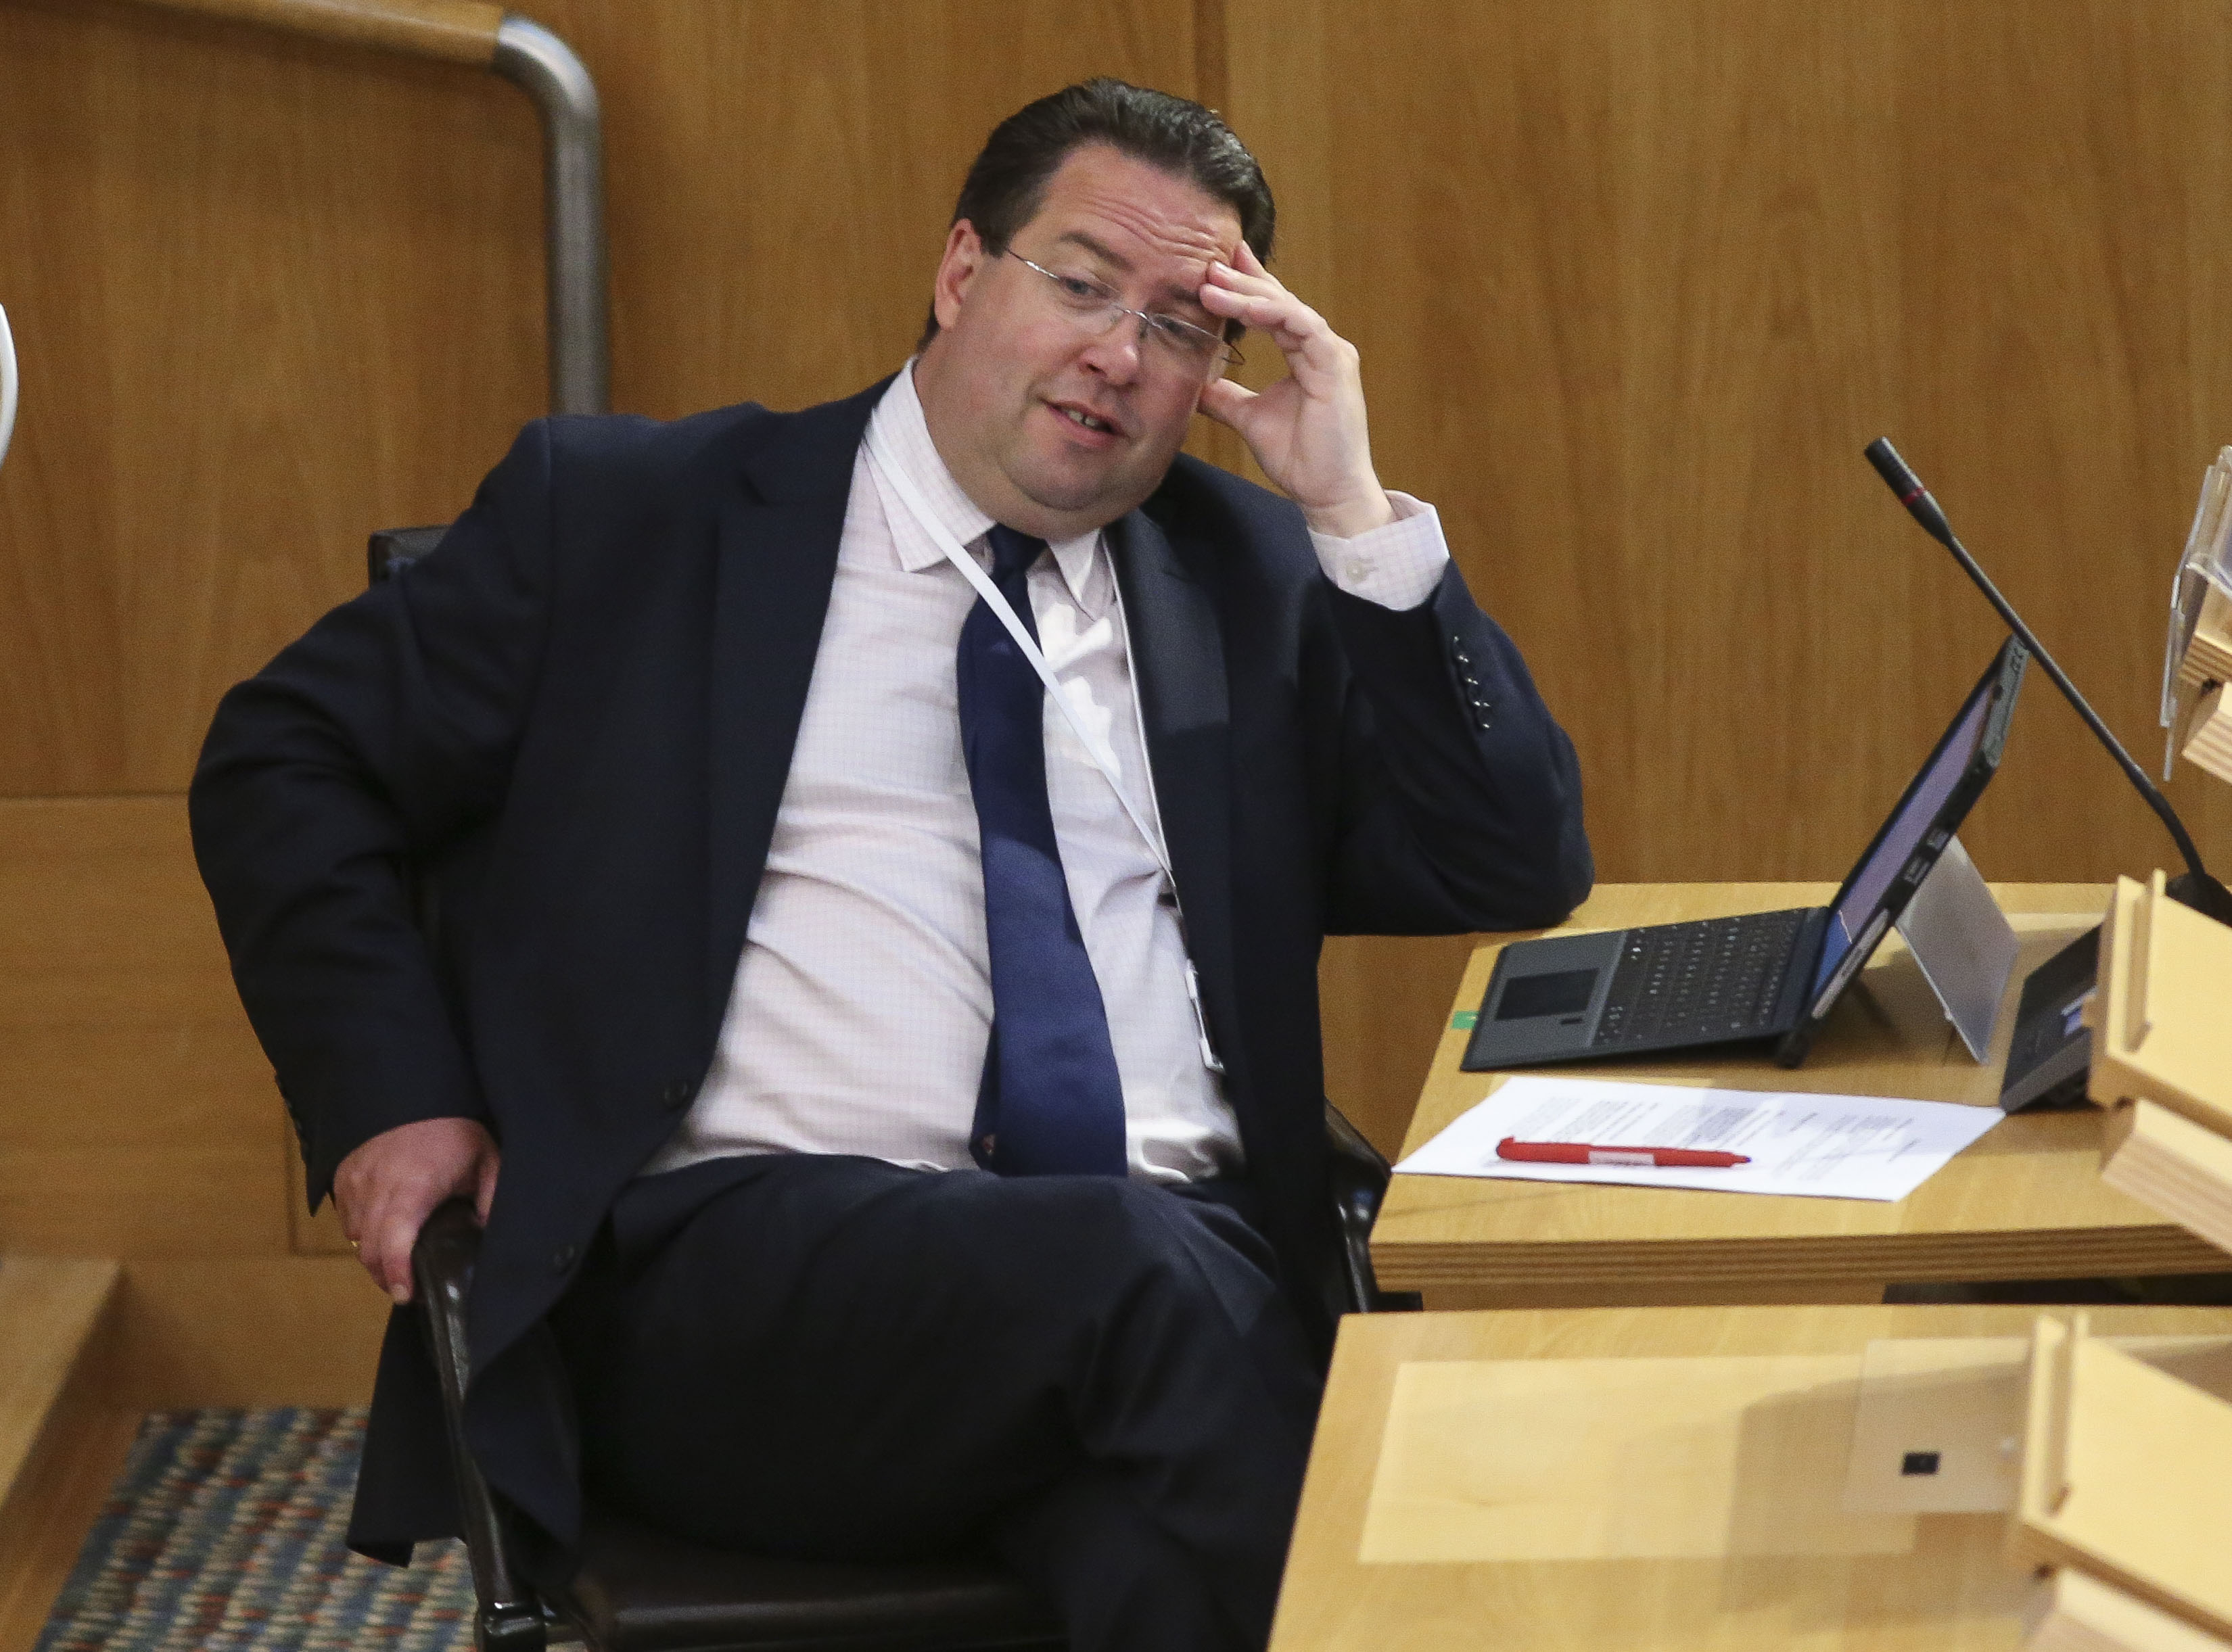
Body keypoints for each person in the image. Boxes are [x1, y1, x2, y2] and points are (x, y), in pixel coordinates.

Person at [190, 78, 1590, 1652]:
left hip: (1157, 1305)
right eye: (1079, 285)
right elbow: (283, 758)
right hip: (743, 1292)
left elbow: (1509, 859)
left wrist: (1349, 511)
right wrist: (388, 1089)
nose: (1122, 358)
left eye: (1187, 328)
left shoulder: (1246, 580)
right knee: (1164, 1292)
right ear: (957, 272)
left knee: (1152, 1540)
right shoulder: (644, 521)